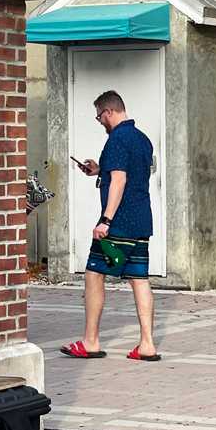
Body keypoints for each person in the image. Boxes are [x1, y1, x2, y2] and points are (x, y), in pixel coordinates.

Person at [60, 90, 159, 362]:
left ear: (108, 112)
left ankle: (90, 341)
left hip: (118, 224)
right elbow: (126, 172)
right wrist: (98, 169)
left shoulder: (116, 139)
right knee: (139, 279)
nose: (100, 122)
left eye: (99, 117)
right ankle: (147, 345)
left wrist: (105, 220)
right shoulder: (142, 139)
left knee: (94, 275)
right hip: (141, 221)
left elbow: (119, 180)